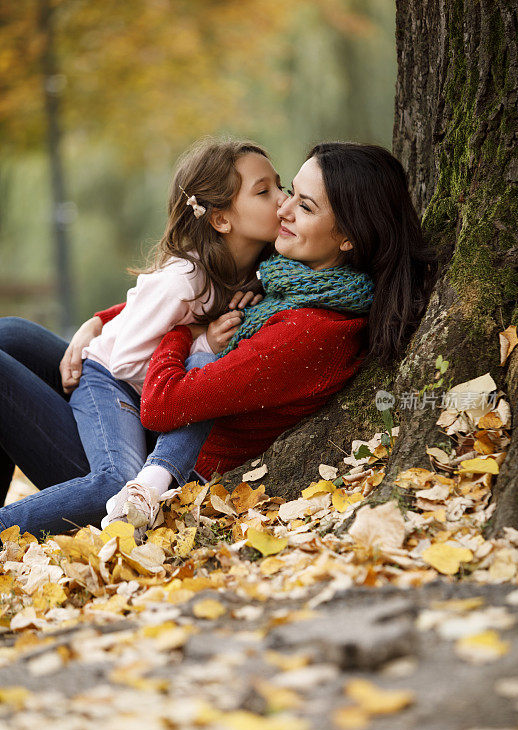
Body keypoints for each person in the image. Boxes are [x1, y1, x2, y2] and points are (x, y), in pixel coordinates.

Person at [0, 141, 434, 540]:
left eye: (303, 204)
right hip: (132, 409)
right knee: (12, 334)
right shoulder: (288, 279)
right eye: (287, 190)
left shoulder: (308, 329)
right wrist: (97, 322)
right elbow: (177, 296)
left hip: (146, 473)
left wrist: (187, 335)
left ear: (348, 235)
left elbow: (164, 402)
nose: (283, 207)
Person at [0, 138, 286, 536]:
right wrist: (200, 340)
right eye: (264, 191)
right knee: (115, 479)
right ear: (220, 219)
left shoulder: (260, 269)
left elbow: (143, 314)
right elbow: (125, 362)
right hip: (109, 380)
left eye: (281, 185)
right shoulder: (183, 280)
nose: (283, 199)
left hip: (143, 394)